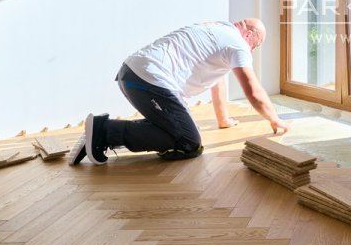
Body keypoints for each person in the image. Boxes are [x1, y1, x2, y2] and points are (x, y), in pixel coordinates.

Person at [68, 18, 288, 165]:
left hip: (131, 74)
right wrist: (275, 119)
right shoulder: (238, 45)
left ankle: (98, 132)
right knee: (189, 143)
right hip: (150, 80)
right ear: (249, 34)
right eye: (256, 45)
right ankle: (104, 130)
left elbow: (218, 80)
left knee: (178, 131)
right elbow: (253, 91)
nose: (252, 51)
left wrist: (223, 120)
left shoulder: (217, 29)